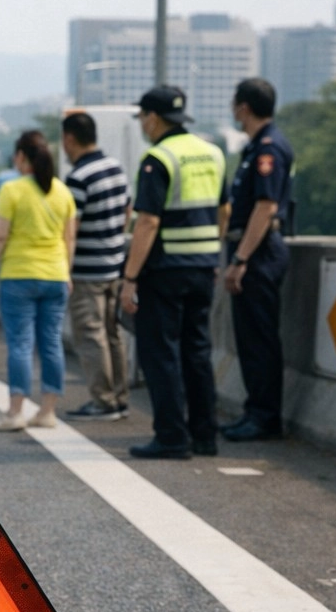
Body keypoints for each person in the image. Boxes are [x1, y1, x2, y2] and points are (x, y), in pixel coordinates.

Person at [118, 86, 228, 459]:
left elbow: (147, 221)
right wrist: (209, 250)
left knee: (161, 353)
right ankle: (205, 435)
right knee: (197, 351)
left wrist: (130, 277)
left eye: (142, 118)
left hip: (164, 271)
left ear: (152, 117)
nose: (142, 125)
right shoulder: (213, 153)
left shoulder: (158, 158)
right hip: (203, 266)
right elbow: (223, 211)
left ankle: (171, 437)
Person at [0, 130, 77, 431]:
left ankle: (15, 412)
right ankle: (47, 412)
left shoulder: (12, 190)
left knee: (21, 344)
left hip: (19, 275)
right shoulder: (62, 192)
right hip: (55, 275)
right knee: (51, 343)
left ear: (22, 157)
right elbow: (69, 238)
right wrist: (67, 272)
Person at [222, 77, 295, 442]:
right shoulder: (257, 148)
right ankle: (255, 411)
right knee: (250, 340)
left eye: (235, 105)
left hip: (260, 253)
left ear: (244, 107)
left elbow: (265, 207)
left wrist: (240, 259)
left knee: (261, 339)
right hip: (255, 251)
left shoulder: (268, 149)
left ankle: (265, 417)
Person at [60, 112, 132, 420]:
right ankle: (119, 395)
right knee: (112, 334)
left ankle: (102, 401)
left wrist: (65, 268)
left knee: (90, 335)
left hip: (87, 271)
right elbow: (128, 209)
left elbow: (70, 230)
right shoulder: (115, 168)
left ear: (69, 139)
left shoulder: (78, 178)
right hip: (114, 266)